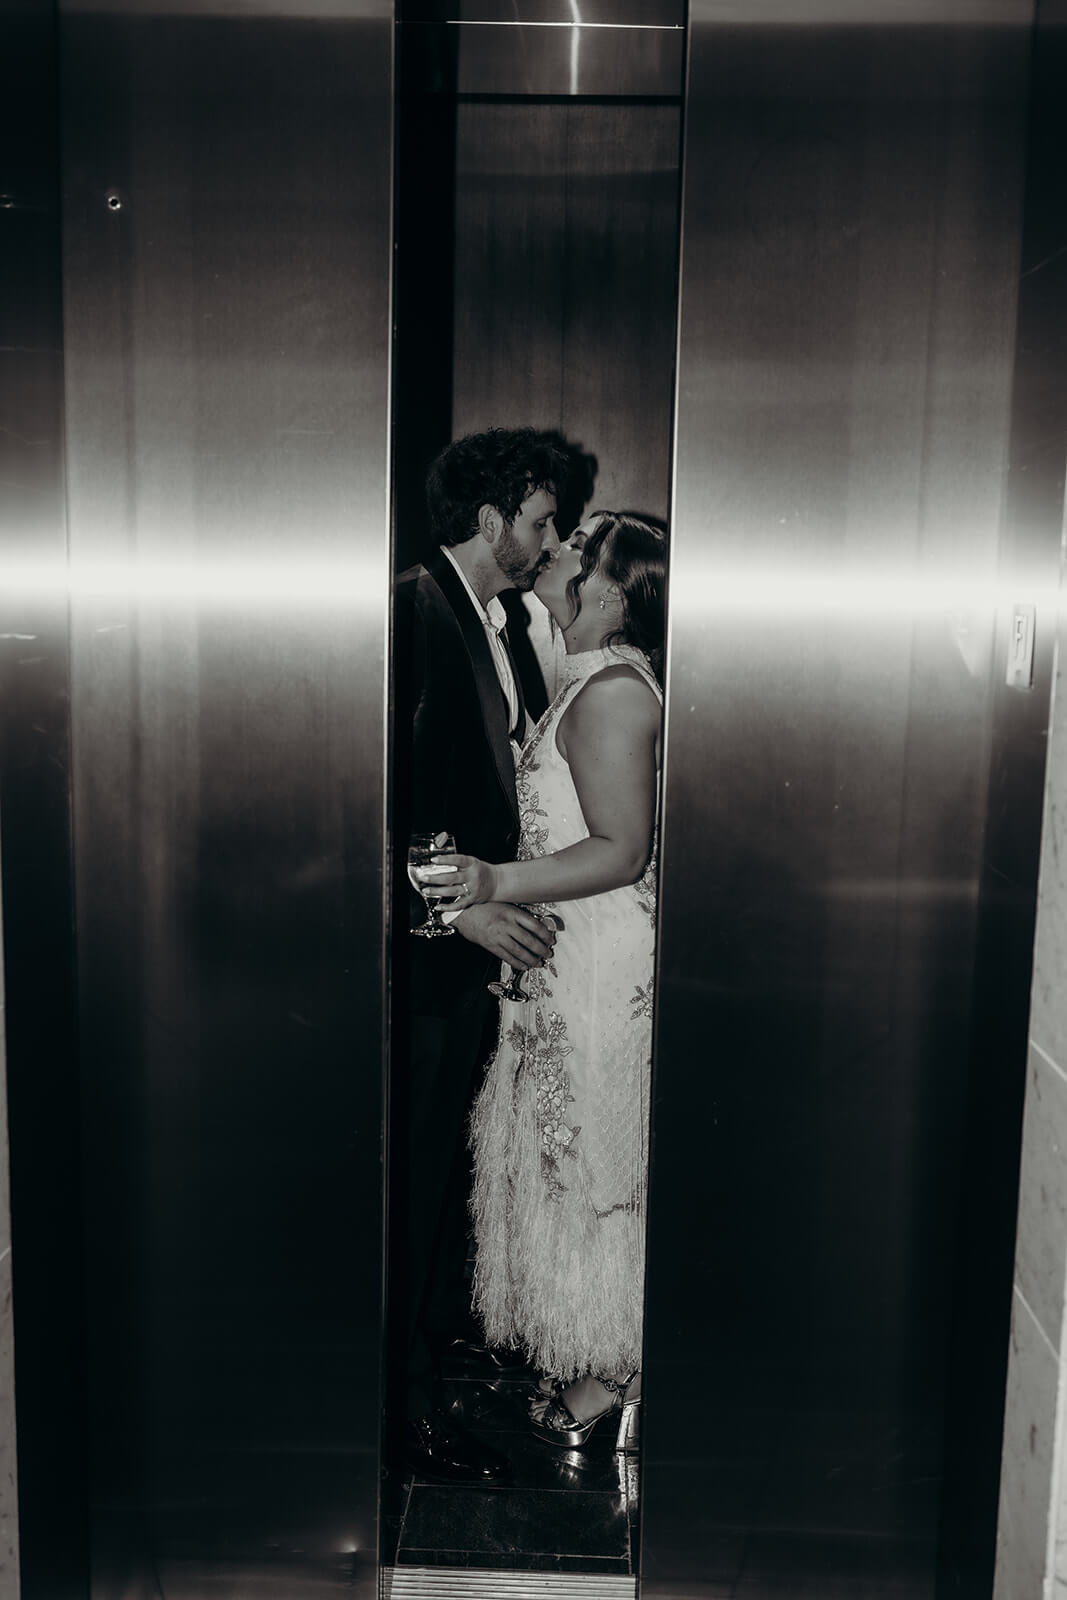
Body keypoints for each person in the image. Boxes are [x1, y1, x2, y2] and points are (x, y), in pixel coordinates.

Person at [427, 511, 666, 1452]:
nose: (555, 551)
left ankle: (618, 1370)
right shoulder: (585, 683)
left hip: (604, 961)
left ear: (607, 592)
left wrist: (495, 884)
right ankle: (593, 1355)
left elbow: (621, 849)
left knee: (600, 1155)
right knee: (567, 1149)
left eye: (575, 550)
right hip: (568, 958)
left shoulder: (612, 692)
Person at [389, 427, 566, 1484]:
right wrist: (452, 914)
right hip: (419, 958)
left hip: (456, 959)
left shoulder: (486, 616)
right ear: (490, 517)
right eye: (538, 520)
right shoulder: (416, 610)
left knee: (431, 1174)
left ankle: (423, 1353)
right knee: (404, 1186)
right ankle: (399, 1414)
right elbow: (379, 788)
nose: (547, 541)